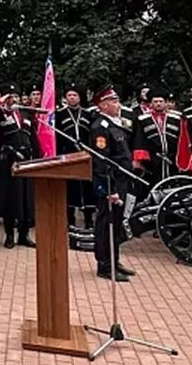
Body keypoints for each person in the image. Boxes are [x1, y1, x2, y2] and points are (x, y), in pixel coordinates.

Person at [90, 87, 135, 282]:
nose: (118, 105)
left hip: (122, 181)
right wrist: (110, 189)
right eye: (114, 101)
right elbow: (101, 161)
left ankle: (114, 259)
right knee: (105, 224)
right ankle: (104, 265)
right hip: (110, 183)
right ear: (103, 105)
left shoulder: (115, 124)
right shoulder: (100, 126)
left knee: (116, 224)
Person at [0, 92, 35, 249]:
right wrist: (0, 107)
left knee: (26, 199)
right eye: (8, 98)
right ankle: (9, 236)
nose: (12, 100)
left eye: (14, 97)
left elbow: (33, 136)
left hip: (27, 160)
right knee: (11, 199)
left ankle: (24, 234)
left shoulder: (25, 113)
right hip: (9, 161)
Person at [55, 85, 96, 229]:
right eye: (69, 95)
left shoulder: (87, 114)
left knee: (87, 187)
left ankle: (89, 218)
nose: (72, 98)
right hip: (68, 155)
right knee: (70, 187)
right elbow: (57, 137)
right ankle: (70, 219)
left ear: (80, 97)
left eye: (75, 95)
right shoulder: (59, 114)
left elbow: (92, 135)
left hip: (85, 155)